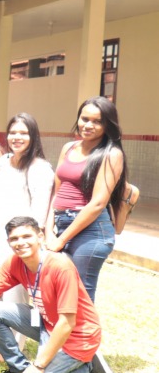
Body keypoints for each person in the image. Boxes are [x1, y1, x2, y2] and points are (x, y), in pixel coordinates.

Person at [0, 217, 110, 373]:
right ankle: (18, 369)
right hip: (47, 324)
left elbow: (67, 323)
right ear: (8, 242)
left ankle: (86, 367)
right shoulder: (15, 262)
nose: (20, 243)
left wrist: (38, 366)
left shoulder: (60, 266)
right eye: (14, 239)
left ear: (40, 237)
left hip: (76, 335)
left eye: (26, 236)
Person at [46, 97, 129, 303]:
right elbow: (56, 192)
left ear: (108, 125)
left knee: (80, 296)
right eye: (84, 119)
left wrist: (61, 240)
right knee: (59, 290)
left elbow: (98, 203)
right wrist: (48, 230)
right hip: (62, 224)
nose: (88, 125)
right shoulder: (69, 148)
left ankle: (84, 336)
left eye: (97, 121)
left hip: (92, 231)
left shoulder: (111, 154)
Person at [0, 114, 55, 288]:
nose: (17, 137)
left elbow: (39, 215)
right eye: (12, 132)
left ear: (33, 137)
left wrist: (24, 240)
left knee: (13, 290)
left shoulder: (40, 168)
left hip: (15, 239)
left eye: (23, 133)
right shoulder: (3, 161)